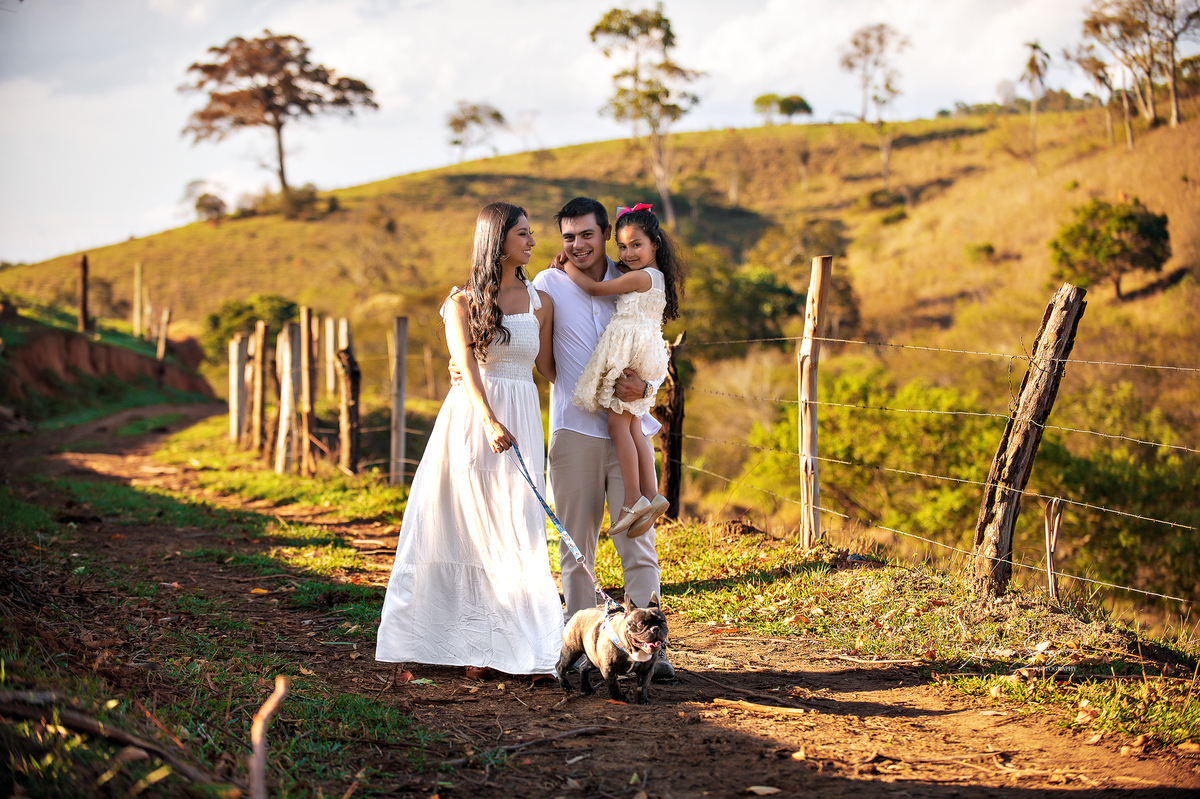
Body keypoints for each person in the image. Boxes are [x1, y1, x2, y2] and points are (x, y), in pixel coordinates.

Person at [375, 201, 563, 679]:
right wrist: (490, 420)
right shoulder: (461, 302)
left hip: (524, 413)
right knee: (468, 528)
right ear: (498, 241)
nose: (532, 241)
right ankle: (470, 644)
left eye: (531, 233)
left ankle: (525, 644)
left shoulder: (542, 301)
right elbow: (466, 369)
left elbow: (550, 370)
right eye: (523, 234)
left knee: (517, 526)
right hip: (475, 422)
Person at [531, 196, 674, 680]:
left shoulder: (630, 277)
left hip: (628, 430)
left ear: (604, 233)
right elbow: (543, 358)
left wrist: (648, 388)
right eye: (568, 237)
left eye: (587, 235)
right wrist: (572, 388)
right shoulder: (549, 282)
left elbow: (653, 347)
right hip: (574, 433)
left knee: (639, 544)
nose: (577, 245)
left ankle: (651, 648)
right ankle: (581, 651)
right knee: (577, 549)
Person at [564, 203, 684, 538]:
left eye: (636, 245)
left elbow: (595, 289)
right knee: (633, 428)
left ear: (654, 244)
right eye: (622, 246)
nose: (628, 253)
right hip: (645, 348)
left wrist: (567, 266)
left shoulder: (642, 276)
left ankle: (632, 498)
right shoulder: (655, 276)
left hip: (632, 349)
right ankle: (652, 493)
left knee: (619, 425)